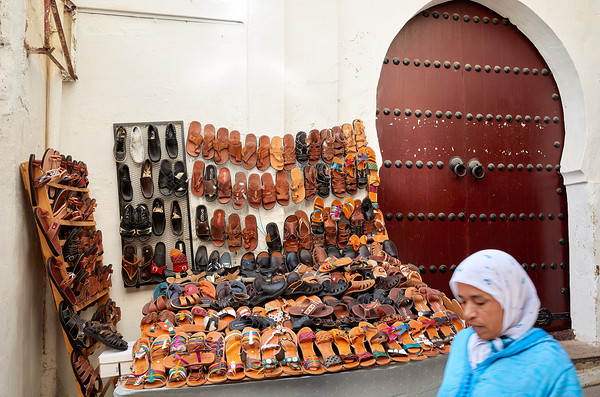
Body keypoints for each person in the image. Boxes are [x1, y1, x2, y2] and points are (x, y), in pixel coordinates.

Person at [437, 249, 583, 396]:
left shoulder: (550, 363)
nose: (468, 313)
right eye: (463, 301)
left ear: (509, 300)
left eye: (480, 302)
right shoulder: (462, 342)